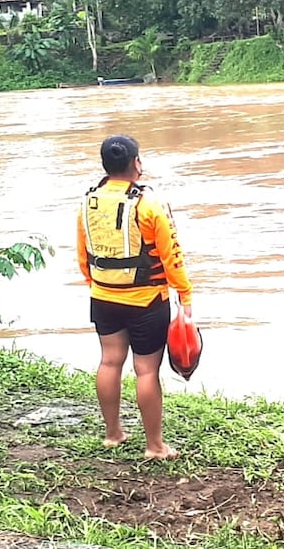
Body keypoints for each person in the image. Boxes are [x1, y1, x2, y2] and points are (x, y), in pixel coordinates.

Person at [76, 135, 192, 460]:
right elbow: (172, 256)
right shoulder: (149, 204)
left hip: (103, 297)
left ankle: (113, 434)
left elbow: (82, 254)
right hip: (146, 302)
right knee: (146, 371)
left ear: (105, 166)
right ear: (137, 163)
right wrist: (185, 294)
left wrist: (95, 285)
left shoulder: (88, 202)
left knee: (109, 361)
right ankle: (155, 446)